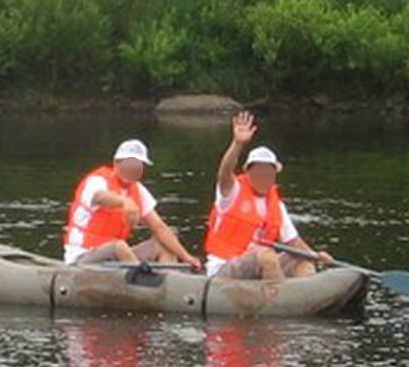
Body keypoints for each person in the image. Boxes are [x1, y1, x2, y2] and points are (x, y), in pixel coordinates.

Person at [205, 110, 333, 281]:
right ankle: (279, 301)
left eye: (268, 173)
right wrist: (237, 144)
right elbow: (224, 173)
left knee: (303, 258)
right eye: (259, 171)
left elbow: (293, 241)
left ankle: (304, 294)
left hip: (260, 266)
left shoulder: (276, 206)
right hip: (224, 268)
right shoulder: (232, 191)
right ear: (248, 172)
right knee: (266, 256)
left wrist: (315, 255)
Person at [62, 139, 202, 269]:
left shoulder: (138, 191)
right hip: (83, 257)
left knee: (164, 243)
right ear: (116, 163)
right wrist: (124, 202)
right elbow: (99, 197)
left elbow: (160, 228)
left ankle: (167, 285)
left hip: (116, 259)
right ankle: (140, 282)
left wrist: (186, 257)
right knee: (119, 247)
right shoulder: (97, 181)